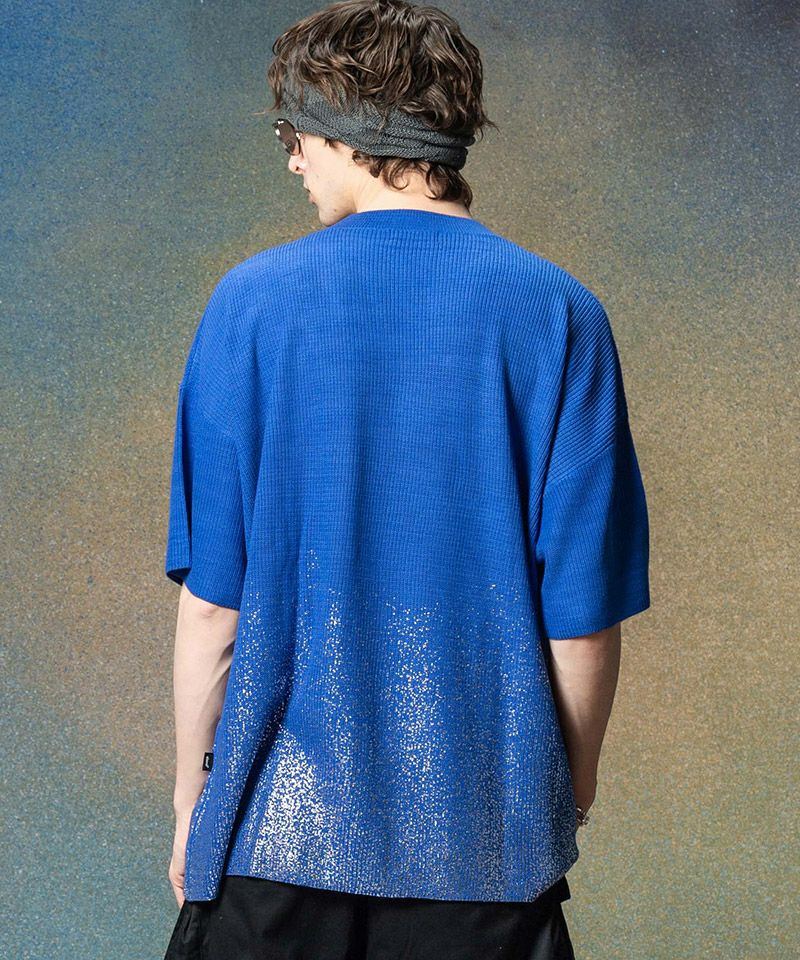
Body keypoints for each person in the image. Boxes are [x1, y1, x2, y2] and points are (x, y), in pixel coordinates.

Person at [162, 1, 651, 957]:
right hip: (487, 857)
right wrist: (570, 789)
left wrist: (193, 802)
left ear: (348, 132)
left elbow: (215, 607)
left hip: (272, 851)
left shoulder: (250, 306)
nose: (293, 162)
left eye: (295, 135)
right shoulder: (560, 315)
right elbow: (582, 619)